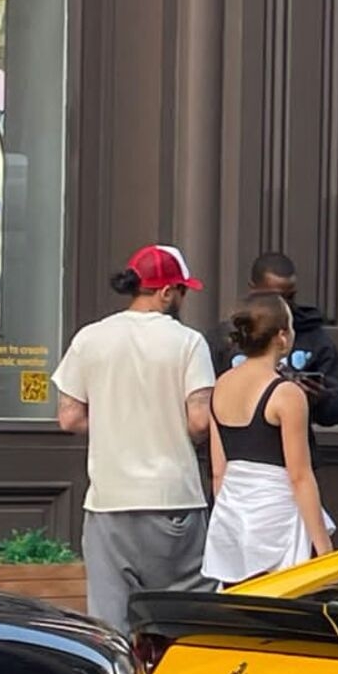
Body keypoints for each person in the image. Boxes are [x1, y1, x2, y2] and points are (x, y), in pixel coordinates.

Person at [52, 244, 218, 632]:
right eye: (182, 290)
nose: (183, 297)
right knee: (182, 617)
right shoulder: (188, 343)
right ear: (165, 292)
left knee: (111, 625)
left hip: (108, 500)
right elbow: (198, 421)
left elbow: (69, 418)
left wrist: (113, 422)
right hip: (173, 498)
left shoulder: (89, 338)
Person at [203, 292, 332, 587]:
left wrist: (229, 516)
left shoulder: (220, 386)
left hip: (232, 513)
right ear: (282, 336)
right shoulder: (287, 394)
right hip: (278, 514)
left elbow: (218, 471)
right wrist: (324, 549)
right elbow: (300, 476)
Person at [246, 250, 338, 427]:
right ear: (253, 289)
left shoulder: (313, 337)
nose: (283, 305)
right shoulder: (228, 338)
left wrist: (319, 399)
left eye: (290, 297)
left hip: (292, 441)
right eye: (274, 297)